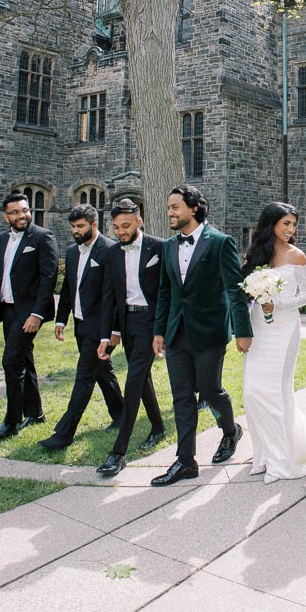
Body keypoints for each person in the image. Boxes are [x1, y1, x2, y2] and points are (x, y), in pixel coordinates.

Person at [150, 185, 252, 486]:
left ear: (193, 208)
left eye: (175, 207)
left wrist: (242, 331)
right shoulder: (169, 246)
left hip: (209, 332)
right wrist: (159, 330)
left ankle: (230, 431)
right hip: (176, 334)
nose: (170, 212)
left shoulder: (220, 243)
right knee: (182, 397)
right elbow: (165, 292)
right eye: (169, 207)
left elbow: (235, 290)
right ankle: (185, 462)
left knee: (210, 391)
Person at [240, 202, 306, 483]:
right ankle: (262, 453)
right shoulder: (258, 254)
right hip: (260, 326)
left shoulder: (297, 256)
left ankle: (281, 459)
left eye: (293, 225)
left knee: (276, 391)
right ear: (271, 223)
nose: (291, 230)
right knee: (251, 391)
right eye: (286, 224)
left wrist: (278, 304)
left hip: (284, 328)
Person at [37, 205, 122, 451]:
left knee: (84, 376)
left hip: (101, 328)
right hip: (80, 325)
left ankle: (65, 432)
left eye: (80, 227)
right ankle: (122, 413)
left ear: (95, 225)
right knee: (102, 372)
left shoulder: (110, 251)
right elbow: (68, 288)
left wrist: (112, 332)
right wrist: (62, 319)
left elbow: (115, 296)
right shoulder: (72, 252)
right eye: (73, 227)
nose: (75, 231)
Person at [0, 192, 59, 441]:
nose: (21, 215)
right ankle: (35, 413)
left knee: (11, 362)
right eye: (15, 212)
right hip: (8, 310)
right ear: (6, 216)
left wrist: (37, 314)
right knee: (24, 360)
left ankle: (11, 421)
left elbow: (49, 279)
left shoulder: (43, 238)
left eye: (24, 210)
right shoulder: (1, 240)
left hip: (28, 312)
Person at [94, 199, 167, 477]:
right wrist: (107, 334)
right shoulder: (112, 254)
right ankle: (158, 427)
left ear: (139, 221)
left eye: (126, 226)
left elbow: (165, 292)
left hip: (151, 321)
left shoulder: (159, 247)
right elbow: (109, 297)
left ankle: (118, 452)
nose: (121, 232)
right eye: (116, 227)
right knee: (142, 377)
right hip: (127, 323)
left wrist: (161, 329)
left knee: (133, 381)